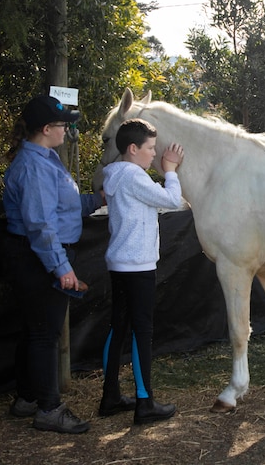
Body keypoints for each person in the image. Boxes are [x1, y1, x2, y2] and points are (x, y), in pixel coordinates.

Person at [3, 95, 103, 434]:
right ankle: (49, 409)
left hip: (38, 256)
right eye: (63, 125)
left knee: (34, 331)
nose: (68, 130)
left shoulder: (46, 160)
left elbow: (64, 205)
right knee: (44, 334)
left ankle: (27, 398)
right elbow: (40, 225)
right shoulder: (34, 167)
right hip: (39, 258)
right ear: (46, 129)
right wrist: (61, 267)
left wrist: (97, 200)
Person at [100, 118, 184, 425]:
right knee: (142, 332)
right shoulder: (134, 176)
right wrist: (171, 170)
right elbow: (172, 200)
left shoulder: (116, 175)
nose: (154, 154)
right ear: (133, 149)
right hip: (138, 266)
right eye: (150, 148)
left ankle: (109, 396)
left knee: (118, 327)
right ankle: (144, 402)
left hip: (120, 264)